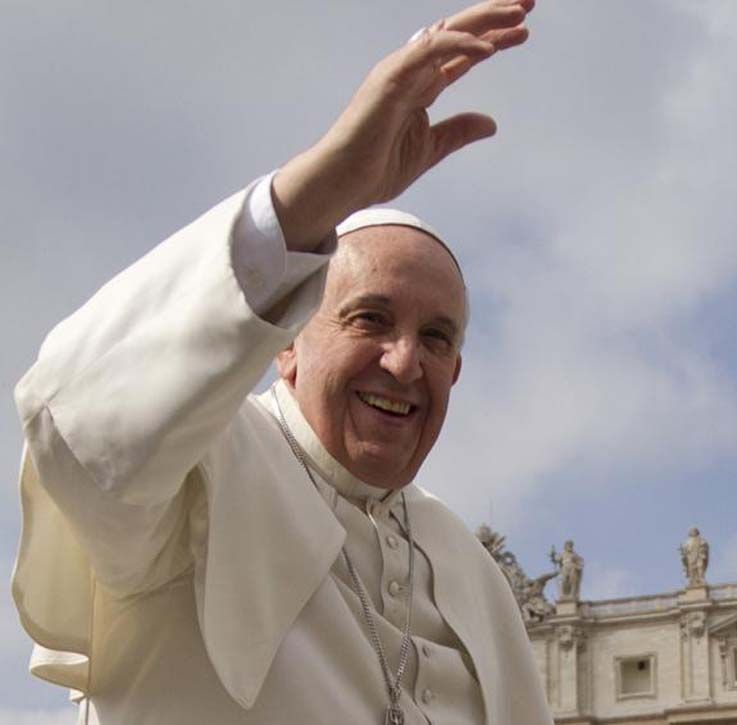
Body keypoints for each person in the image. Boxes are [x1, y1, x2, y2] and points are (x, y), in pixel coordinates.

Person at [11, 1, 550, 723]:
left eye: (437, 339)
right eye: (370, 318)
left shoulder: (472, 571)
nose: (402, 362)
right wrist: (321, 189)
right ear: (286, 340)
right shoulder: (196, 470)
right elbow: (75, 419)